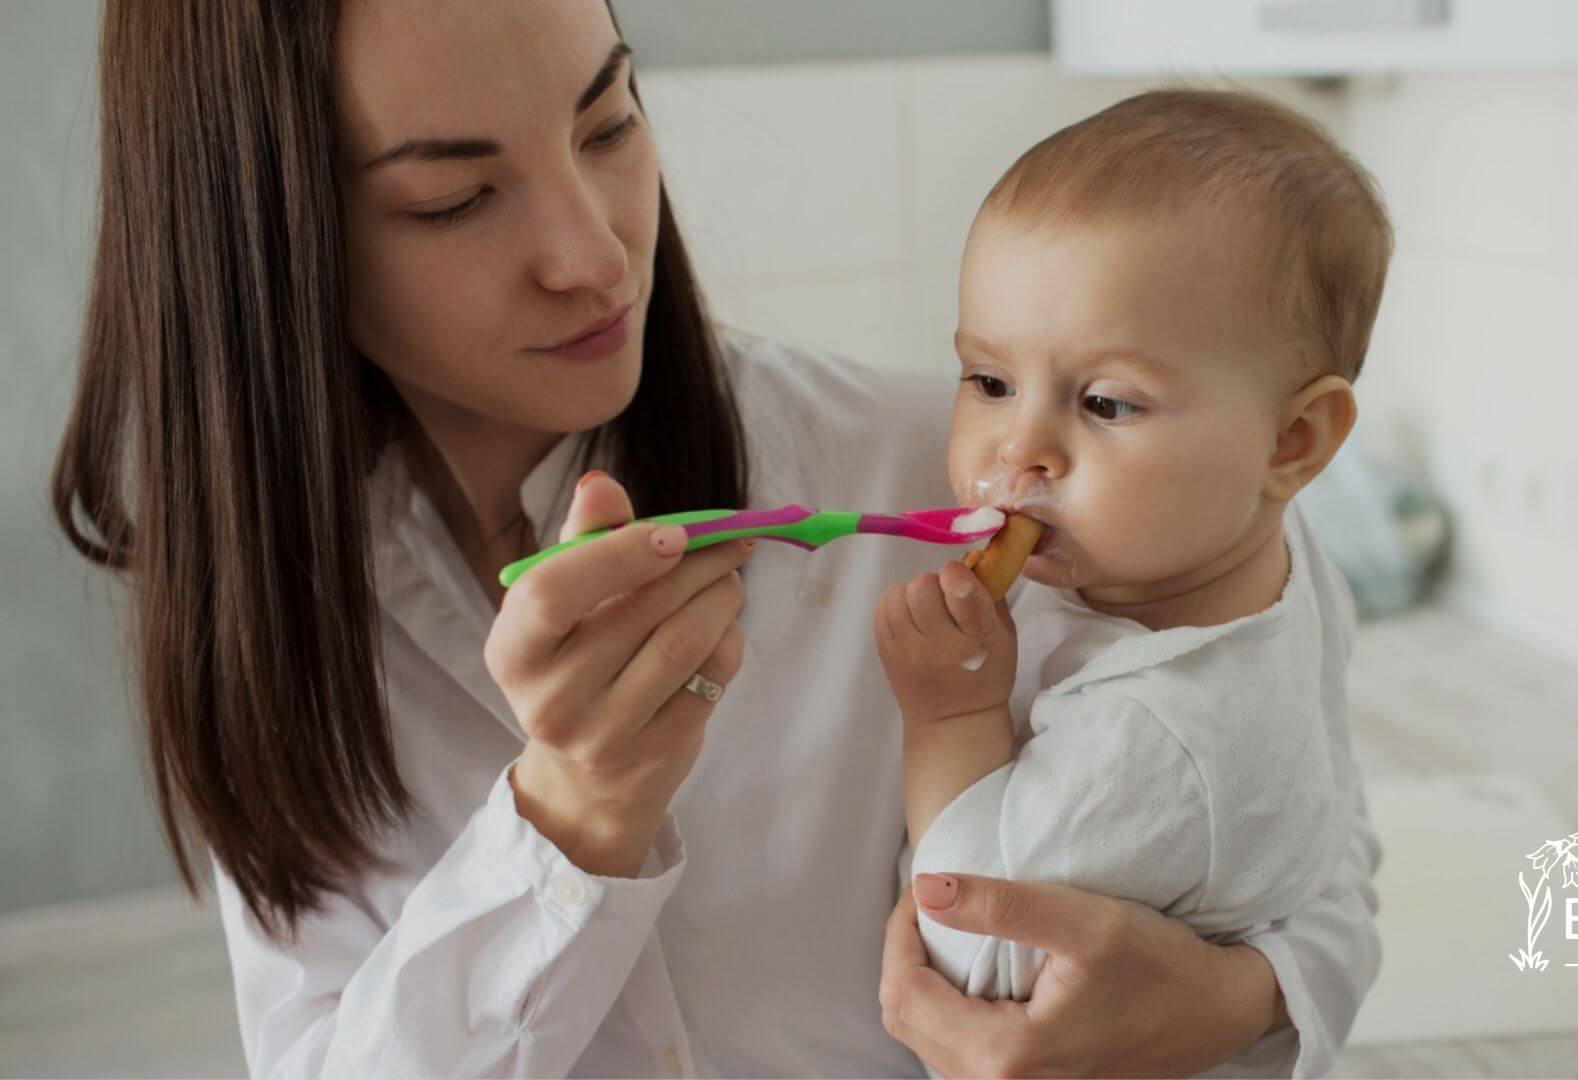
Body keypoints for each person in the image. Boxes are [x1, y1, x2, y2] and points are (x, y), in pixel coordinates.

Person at [49, 1, 1382, 1075]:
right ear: (271, 242)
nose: (595, 254)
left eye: (610, 120)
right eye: (455, 198)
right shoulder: (272, 618)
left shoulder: (1022, 486)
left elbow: (1307, 847)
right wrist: (567, 827)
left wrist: (1224, 1001)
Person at [873, 89, 1388, 1021]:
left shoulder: (1153, 739)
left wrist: (949, 713)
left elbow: (977, 958)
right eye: (990, 381)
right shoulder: (1266, 542)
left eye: (1106, 403)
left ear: (1292, 442)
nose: (1016, 452)